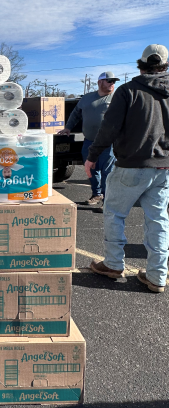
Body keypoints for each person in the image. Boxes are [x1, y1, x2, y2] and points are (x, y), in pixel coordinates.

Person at [85, 44, 169, 293]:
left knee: (114, 213)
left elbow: (108, 128)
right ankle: (157, 276)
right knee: (158, 219)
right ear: (164, 66)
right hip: (163, 166)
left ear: (141, 65)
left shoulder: (128, 91)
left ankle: (113, 264)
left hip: (131, 164)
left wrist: (92, 156)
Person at [58, 71, 119, 205]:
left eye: (114, 81)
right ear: (100, 82)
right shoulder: (87, 98)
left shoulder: (117, 99)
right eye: (109, 80)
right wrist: (68, 127)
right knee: (91, 169)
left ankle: (107, 201)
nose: (112, 83)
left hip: (108, 143)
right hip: (89, 141)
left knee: (107, 172)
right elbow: (76, 114)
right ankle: (96, 194)